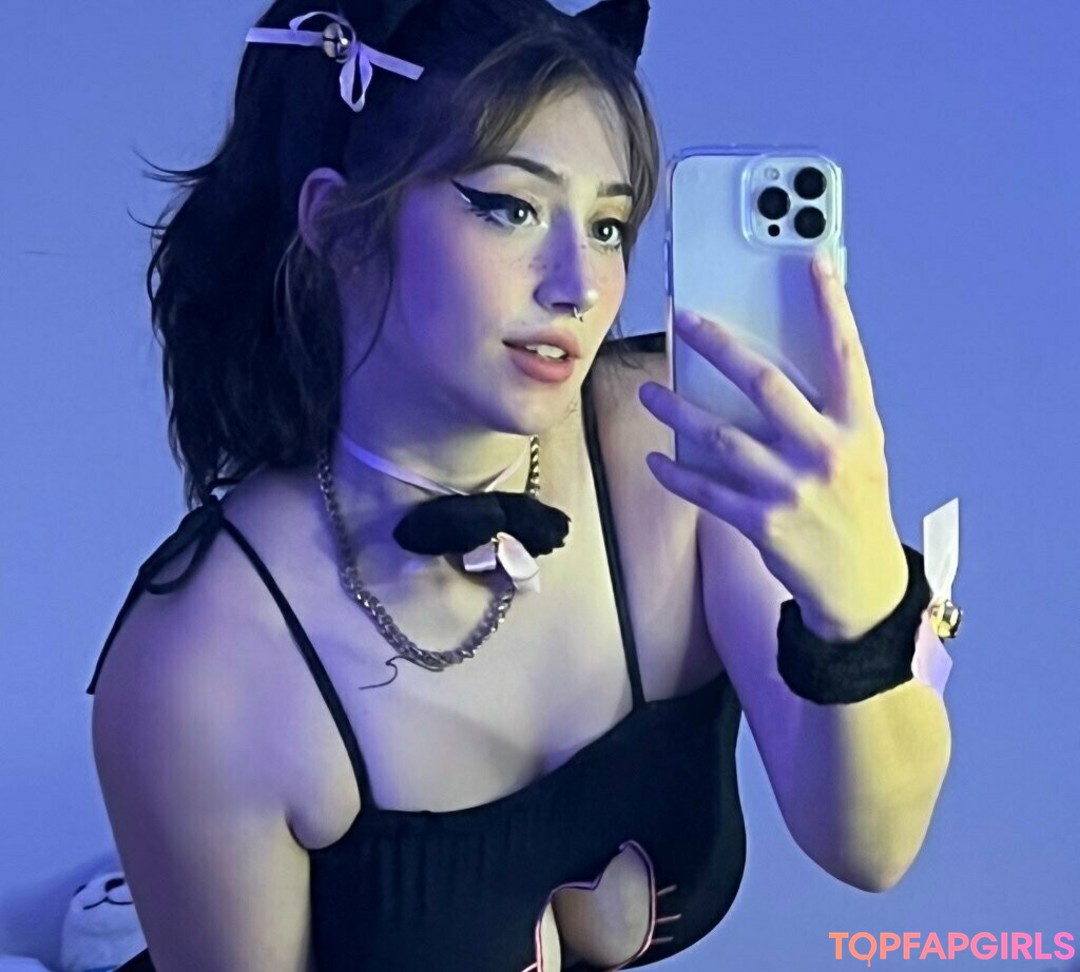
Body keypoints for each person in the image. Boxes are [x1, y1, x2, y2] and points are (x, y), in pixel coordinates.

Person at [86, 1, 955, 969]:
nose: (578, 285)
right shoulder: (203, 668)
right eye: (510, 207)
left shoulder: (686, 451)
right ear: (338, 225)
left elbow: (872, 848)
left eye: (609, 224)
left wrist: (859, 595)